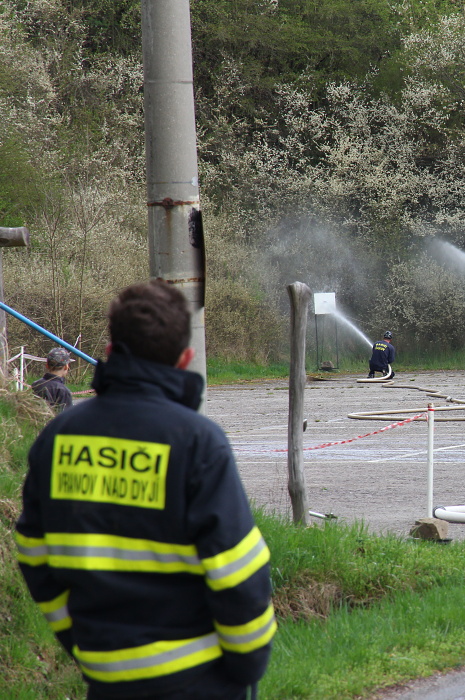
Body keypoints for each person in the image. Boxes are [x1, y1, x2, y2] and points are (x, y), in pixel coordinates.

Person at [14, 280, 275, 699]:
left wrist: (79, 641)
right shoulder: (197, 442)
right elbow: (238, 571)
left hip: (106, 682)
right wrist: (248, 665)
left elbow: (33, 552)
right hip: (198, 681)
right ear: (185, 359)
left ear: (111, 351)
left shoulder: (58, 438)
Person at [31, 347, 74, 413]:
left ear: (47, 365)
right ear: (66, 367)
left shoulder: (35, 385)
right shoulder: (63, 391)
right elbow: (66, 416)